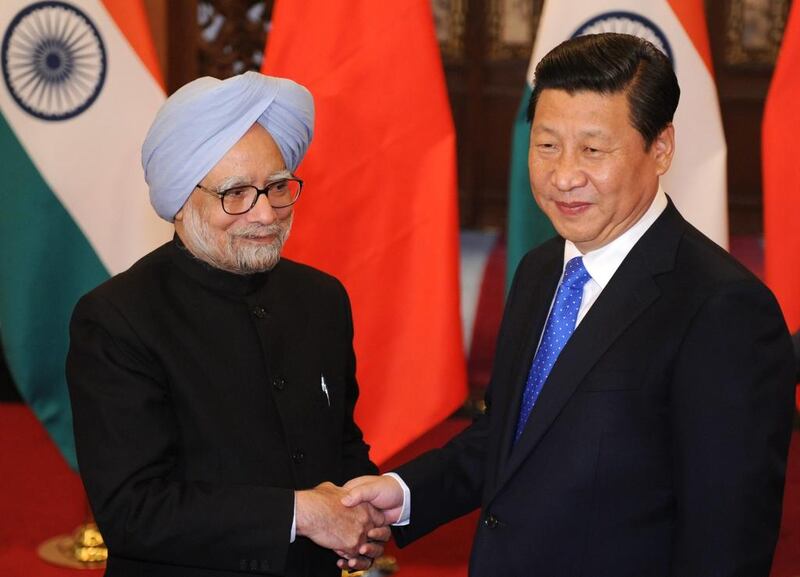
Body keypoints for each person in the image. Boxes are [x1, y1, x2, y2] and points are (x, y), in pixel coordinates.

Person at [342, 33, 797, 576]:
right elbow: (512, 435)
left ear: (662, 148)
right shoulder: (540, 270)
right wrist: (402, 493)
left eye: (593, 149)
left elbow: (725, 541)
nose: (564, 176)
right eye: (547, 145)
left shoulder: (724, 309)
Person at [67, 72, 388, 577]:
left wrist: (361, 510)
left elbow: (340, 443)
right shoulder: (116, 319)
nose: (265, 214)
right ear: (180, 203)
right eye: (235, 193)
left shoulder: (322, 298)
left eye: (277, 187)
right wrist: (301, 514)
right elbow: (133, 511)